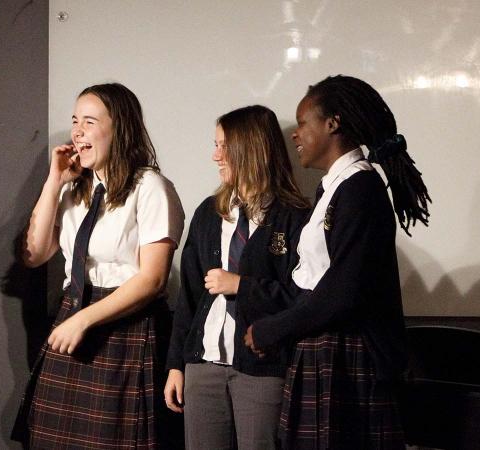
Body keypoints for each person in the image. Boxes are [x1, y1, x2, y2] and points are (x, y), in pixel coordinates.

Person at [245, 75, 431, 449]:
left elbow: (341, 291)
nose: (295, 135)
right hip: (323, 346)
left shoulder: (359, 188)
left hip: (347, 353)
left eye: (302, 123)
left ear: (332, 124)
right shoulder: (333, 188)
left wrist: (272, 329)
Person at [13, 82, 185, 449]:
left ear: (118, 128)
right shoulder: (76, 189)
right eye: (75, 121)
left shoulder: (150, 186)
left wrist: (84, 319)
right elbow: (34, 254)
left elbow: (153, 279)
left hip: (125, 325)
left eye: (89, 122)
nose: (77, 131)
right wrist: (54, 180)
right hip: (73, 311)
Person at [164, 105, 310, 449]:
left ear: (251, 148)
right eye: (215, 145)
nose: (215, 156)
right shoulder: (209, 213)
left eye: (223, 146)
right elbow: (188, 296)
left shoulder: (294, 218)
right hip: (204, 366)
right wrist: (176, 365)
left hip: (261, 368)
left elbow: (302, 299)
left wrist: (242, 287)